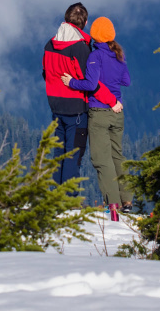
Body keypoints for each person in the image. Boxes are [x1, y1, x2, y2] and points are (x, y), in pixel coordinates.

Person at [61, 16, 132, 221]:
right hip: (118, 114)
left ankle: (113, 206)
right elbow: (126, 81)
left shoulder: (95, 56)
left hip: (99, 112)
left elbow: (91, 85)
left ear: (94, 35)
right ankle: (127, 201)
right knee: (117, 155)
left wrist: (72, 82)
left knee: (102, 159)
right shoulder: (118, 54)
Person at [42, 2, 92, 193]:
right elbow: (87, 79)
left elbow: (45, 73)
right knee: (73, 155)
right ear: (85, 23)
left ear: (65, 20)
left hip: (55, 106)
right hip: (77, 108)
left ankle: (55, 196)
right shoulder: (80, 48)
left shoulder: (50, 44)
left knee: (58, 153)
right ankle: (68, 200)